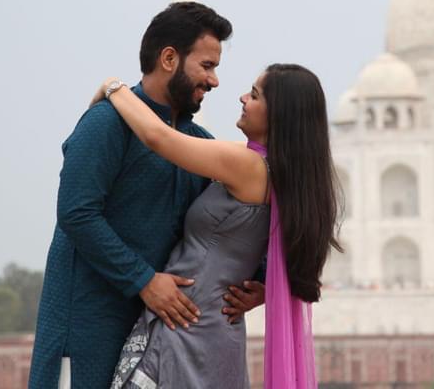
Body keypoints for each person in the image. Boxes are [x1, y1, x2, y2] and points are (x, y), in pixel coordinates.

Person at [28, 2, 264, 389]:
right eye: (207, 66)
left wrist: (261, 282)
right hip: (86, 329)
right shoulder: (105, 123)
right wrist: (143, 280)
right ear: (169, 58)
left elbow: (232, 224)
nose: (215, 81)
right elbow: (77, 214)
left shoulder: (196, 146)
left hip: (153, 334)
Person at [97, 63, 341, 388]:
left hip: (185, 329)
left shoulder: (248, 166)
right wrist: (266, 289)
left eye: (254, 95)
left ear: (278, 115)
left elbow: (157, 137)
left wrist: (113, 87)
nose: (242, 98)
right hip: (217, 330)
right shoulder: (286, 177)